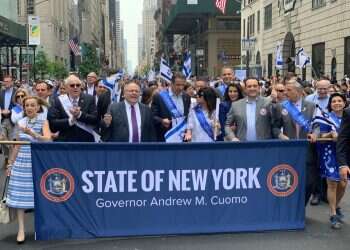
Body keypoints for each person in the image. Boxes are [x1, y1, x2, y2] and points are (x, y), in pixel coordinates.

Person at [6, 96, 51, 244]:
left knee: (40, 194)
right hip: (21, 161)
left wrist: (33, 134)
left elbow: (48, 140)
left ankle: (42, 227)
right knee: (20, 196)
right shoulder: (21, 122)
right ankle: (21, 229)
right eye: (27, 105)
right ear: (24, 108)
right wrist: (10, 164)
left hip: (37, 161)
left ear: (38, 107)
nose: (30, 108)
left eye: (32, 105)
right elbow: (17, 145)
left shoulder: (43, 121)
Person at [314, 93, 348, 229]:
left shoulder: (348, 117)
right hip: (330, 153)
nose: (337, 103)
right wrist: (330, 134)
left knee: (343, 183)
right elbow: (320, 135)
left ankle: (336, 204)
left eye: (340, 101)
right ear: (330, 104)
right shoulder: (326, 118)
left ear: (344, 103)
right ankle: (333, 213)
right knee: (332, 183)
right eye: (334, 101)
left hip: (344, 154)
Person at [48, 75, 99, 142]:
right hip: (65, 142)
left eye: (78, 85)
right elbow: (53, 123)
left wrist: (80, 115)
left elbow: (95, 119)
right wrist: (70, 121)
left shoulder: (89, 99)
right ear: (66, 88)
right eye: (72, 85)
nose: (75, 87)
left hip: (85, 141)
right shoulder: (57, 100)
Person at [151, 72, 191, 142]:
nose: (181, 88)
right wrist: (162, 121)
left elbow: (188, 115)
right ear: (171, 83)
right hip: (167, 136)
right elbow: (152, 116)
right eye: (178, 85)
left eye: (183, 85)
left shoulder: (186, 97)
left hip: (183, 137)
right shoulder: (159, 97)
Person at [0, 75, 16, 168]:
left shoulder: (17, 92)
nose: (6, 83)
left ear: (12, 82)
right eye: (5, 81)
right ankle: (8, 157)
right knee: (2, 139)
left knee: (11, 139)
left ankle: (10, 159)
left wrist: (10, 111)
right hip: (2, 119)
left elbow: (20, 105)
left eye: (8, 81)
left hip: (12, 119)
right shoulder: (1, 92)